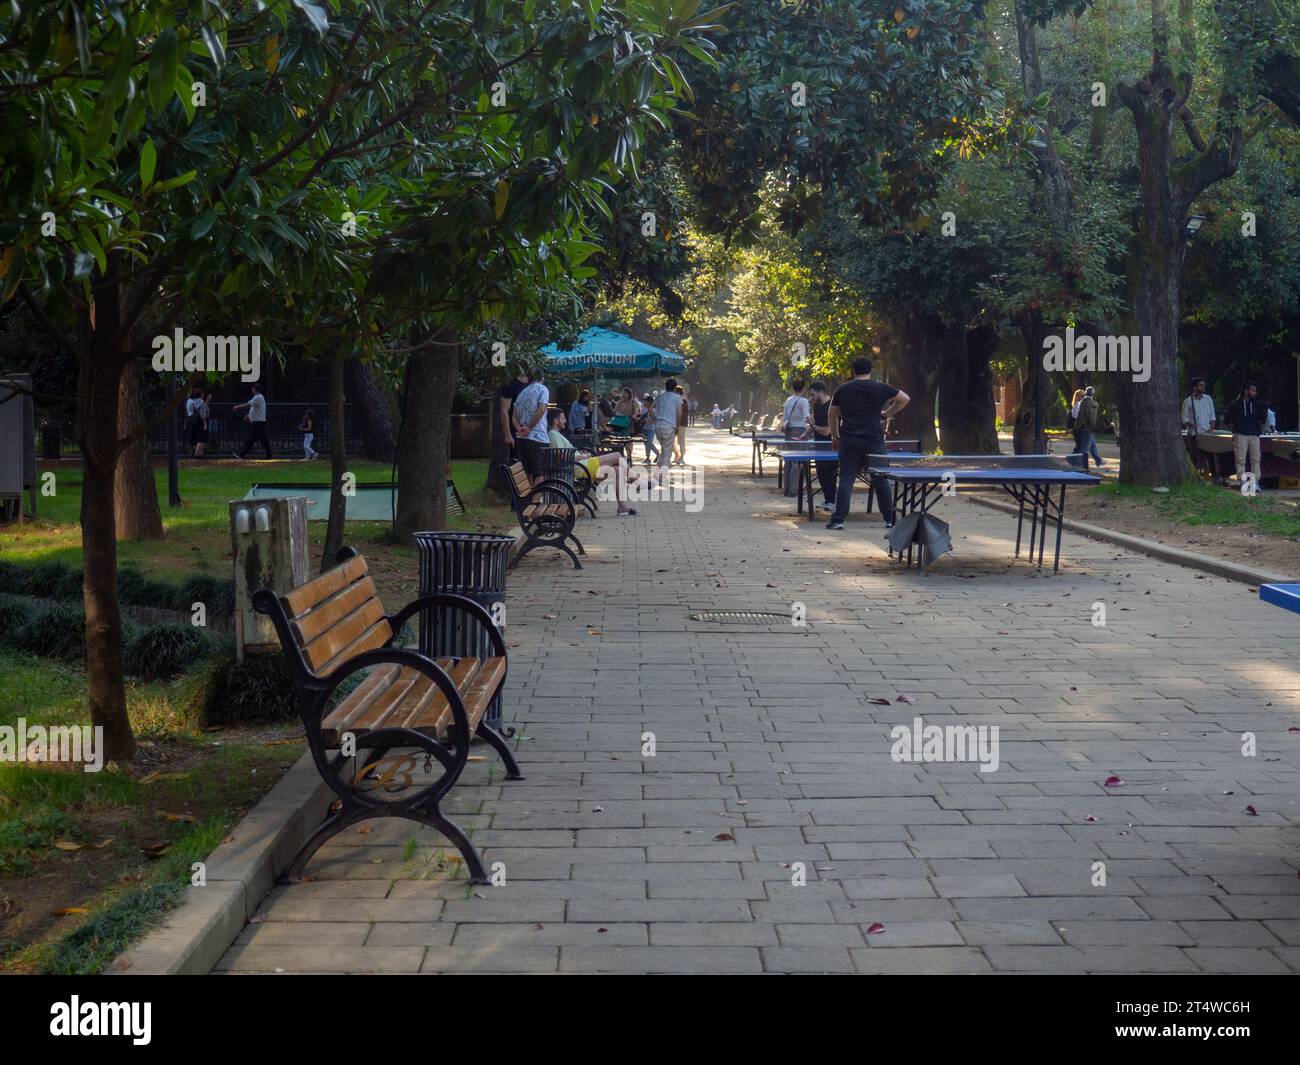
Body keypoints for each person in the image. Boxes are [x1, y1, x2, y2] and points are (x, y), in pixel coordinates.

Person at [826, 356, 909, 530]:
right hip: (874, 441)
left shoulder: (842, 389)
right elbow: (905, 398)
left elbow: (831, 414)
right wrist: (887, 413)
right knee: (880, 479)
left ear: (853, 371)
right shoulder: (880, 388)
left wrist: (835, 437)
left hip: (849, 440)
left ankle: (838, 520)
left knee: (846, 479)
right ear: (870, 370)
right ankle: (890, 519)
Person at [547, 409, 642, 516]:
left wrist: (581, 455)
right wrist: (582, 456)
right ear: (555, 421)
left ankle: (622, 507)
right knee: (617, 456)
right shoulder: (553, 435)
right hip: (581, 468)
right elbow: (562, 457)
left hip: (583, 466)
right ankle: (636, 481)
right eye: (562, 418)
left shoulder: (556, 434)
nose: (565, 421)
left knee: (618, 470)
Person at [512, 368, 551, 485]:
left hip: (522, 438)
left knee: (528, 471)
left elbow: (513, 416)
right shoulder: (543, 389)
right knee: (540, 473)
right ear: (542, 378)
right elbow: (541, 409)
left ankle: (528, 500)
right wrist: (528, 428)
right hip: (537, 437)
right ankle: (534, 502)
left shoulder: (522, 393)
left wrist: (520, 429)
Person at [1223, 382, 1267, 485]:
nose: (1255, 393)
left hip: (1254, 434)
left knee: (1256, 458)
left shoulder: (1258, 404)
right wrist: (1235, 430)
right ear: (1246, 391)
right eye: (1253, 391)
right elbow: (1227, 420)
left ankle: (1255, 482)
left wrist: (1264, 411)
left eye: (1255, 391)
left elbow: (1263, 420)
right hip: (1240, 434)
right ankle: (1242, 482)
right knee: (1240, 458)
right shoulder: (1235, 404)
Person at [808, 381, 837, 511]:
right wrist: (810, 426)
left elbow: (827, 431)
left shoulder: (832, 406)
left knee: (830, 474)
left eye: (812, 394)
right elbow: (816, 425)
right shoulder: (817, 406)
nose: (811, 398)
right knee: (820, 473)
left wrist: (813, 426)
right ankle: (828, 500)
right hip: (818, 445)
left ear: (820, 392)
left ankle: (832, 501)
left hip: (831, 446)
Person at [781, 378, 811, 496]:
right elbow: (806, 416)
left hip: (789, 431)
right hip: (800, 431)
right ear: (803, 388)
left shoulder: (788, 400)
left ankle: (787, 489)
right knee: (798, 461)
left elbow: (785, 416)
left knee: (789, 460)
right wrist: (812, 422)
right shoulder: (803, 401)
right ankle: (795, 490)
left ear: (793, 388)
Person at [233, 384, 273, 459]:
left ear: (255, 389)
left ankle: (241, 455)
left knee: (253, 440)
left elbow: (248, 404)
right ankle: (269, 456)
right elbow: (255, 408)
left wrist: (237, 407)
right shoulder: (258, 398)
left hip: (258, 422)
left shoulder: (258, 397)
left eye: (253, 388)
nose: (252, 390)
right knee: (262, 440)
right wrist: (248, 415)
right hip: (258, 422)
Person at [653, 378, 684, 471]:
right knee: (667, 453)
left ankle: (658, 473)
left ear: (665, 387)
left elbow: (650, 408)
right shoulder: (678, 398)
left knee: (663, 450)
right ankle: (663, 476)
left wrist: (655, 419)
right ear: (675, 387)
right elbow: (679, 413)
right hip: (669, 427)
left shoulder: (660, 397)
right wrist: (677, 427)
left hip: (658, 426)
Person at [499, 368, 530, 461]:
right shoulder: (511, 384)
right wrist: (508, 434)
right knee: (517, 462)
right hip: (516, 431)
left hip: (534, 431)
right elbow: (504, 410)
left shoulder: (534, 383)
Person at [1075, 386, 1104, 467]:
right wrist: (1094, 427)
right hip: (1088, 428)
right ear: (1093, 394)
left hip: (1082, 427)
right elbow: (1091, 417)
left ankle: (1099, 461)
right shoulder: (1092, 403)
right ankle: (1081, 464)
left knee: (1092, 446)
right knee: (1085, 449)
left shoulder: (1083, 402)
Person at [185, 387, 208, 458]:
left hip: (190, 419)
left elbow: (186, 412)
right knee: (201, 437)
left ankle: (192, 454)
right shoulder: (200, 401)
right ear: (200, 394)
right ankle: (197, 453)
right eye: (202, 393)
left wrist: (185, 422)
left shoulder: (189, 401)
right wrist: (205, 423)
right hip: (198, 420)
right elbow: (203, 414)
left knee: (192, 437)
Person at [639, 393, 658, 464]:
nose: (644, 402)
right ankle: (647, 458)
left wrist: (649, 421)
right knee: (646, 444)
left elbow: (655, 419)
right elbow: (641, 416)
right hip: (644, 428)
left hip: (651, 429)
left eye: (645, 401)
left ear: (649, 402)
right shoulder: (644, 410)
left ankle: (658, 453)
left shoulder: (654, 410)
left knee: (649, 443)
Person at [672, 384, 689, 465]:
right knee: (672, 441)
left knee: (681, 441)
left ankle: (682, 457)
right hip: (675, 423)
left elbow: (682, 414)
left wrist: (677, 424)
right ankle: (677, 455)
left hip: (681, 424)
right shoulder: (677, 401)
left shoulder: (683, 401)